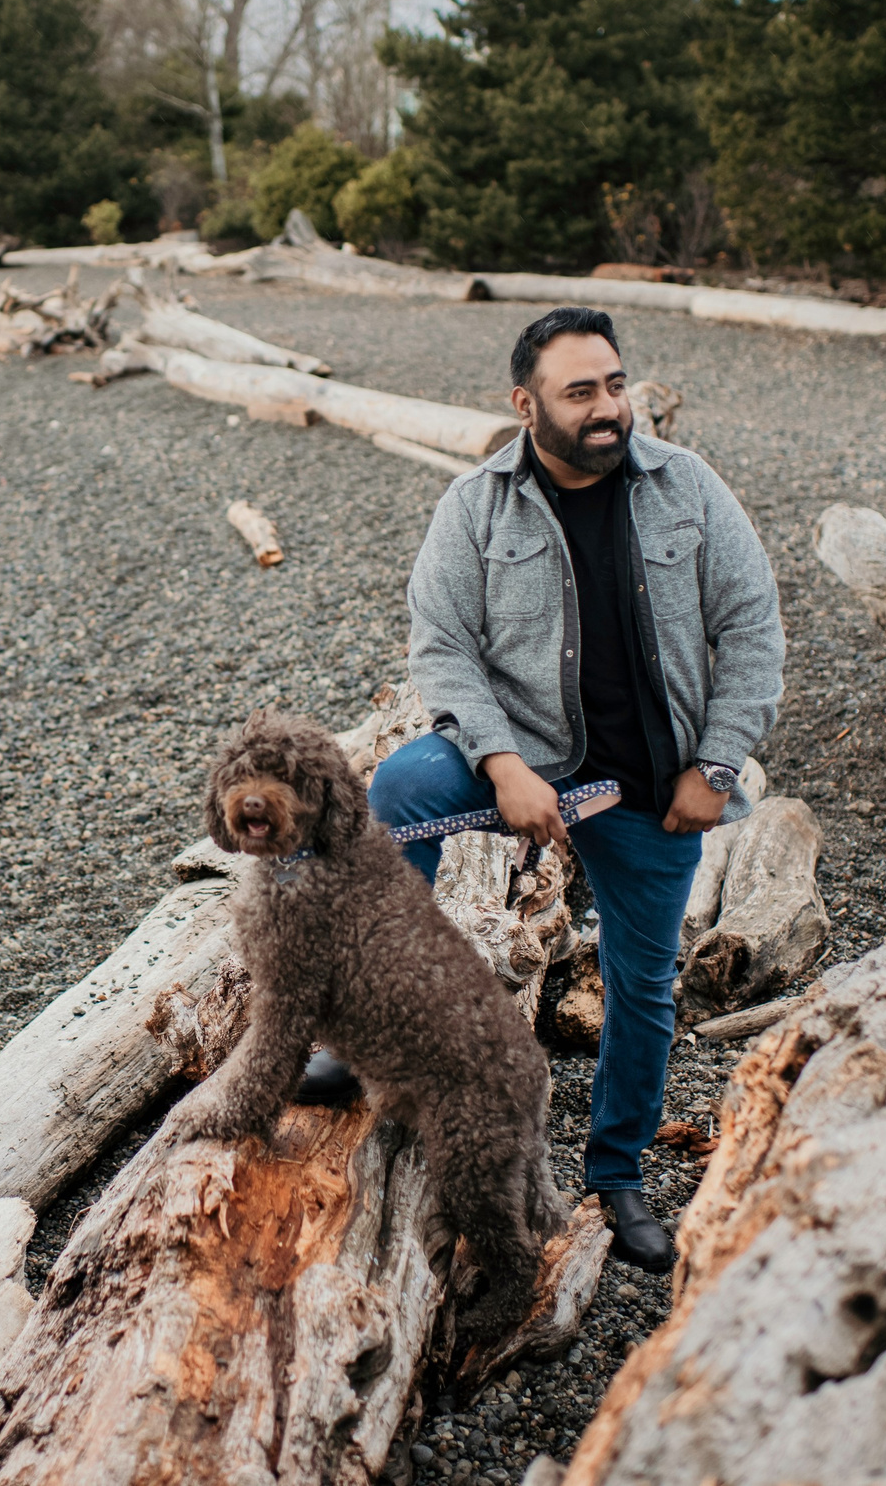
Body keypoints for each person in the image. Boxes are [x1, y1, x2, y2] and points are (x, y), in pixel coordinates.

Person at [343, 305, 784, 1273]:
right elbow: (443, 647)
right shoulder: (475, 503)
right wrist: (501, 763)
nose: (606, 408)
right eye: (580, 390)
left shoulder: (687, 486)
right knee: (398, 787)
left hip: (653, 782)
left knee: (643, 980)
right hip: (526, 755)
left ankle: (617, 1170)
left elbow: (753, 628)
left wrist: (714, 768)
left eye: (615, 384)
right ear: (525, 402)